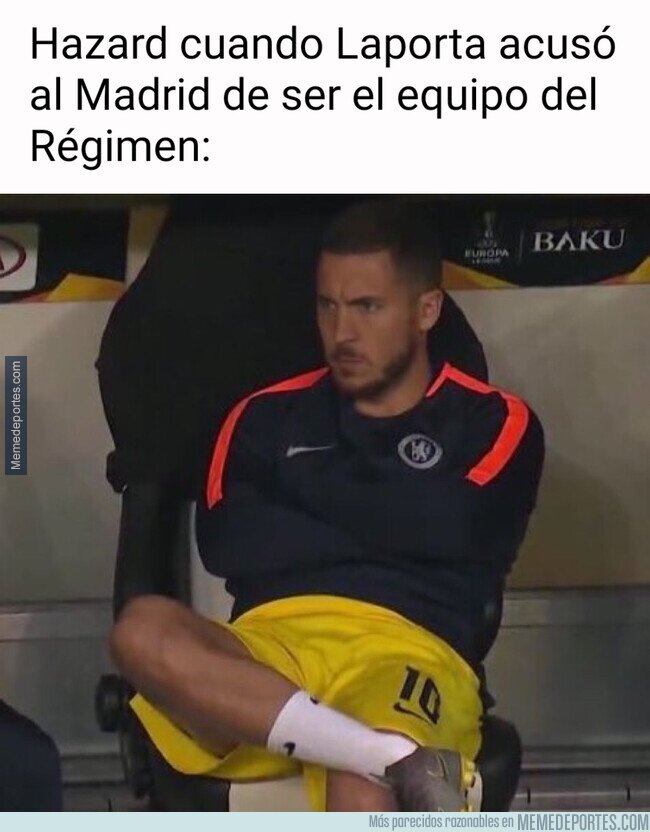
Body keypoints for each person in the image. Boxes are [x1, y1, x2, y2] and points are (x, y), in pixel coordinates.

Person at [109, 199, 545, 812]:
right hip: (269, 651)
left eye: (367, 307)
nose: (342, 333)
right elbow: (231, 542)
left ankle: (373, 757)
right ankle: (376, 752)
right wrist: (393, 507)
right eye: (327, 306)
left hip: (408, 649)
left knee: (366, 792)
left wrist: (304, 499)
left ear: (426, 310)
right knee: (143, 629)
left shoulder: (492, 419)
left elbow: (453, 526)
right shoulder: (262, 416)